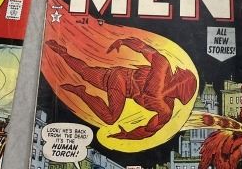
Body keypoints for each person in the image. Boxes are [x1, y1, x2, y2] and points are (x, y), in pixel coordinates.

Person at [47, 38, 196, 140]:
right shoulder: (163, 67)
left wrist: (127, 135)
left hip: (119, 82)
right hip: (121, 79)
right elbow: (143, 48)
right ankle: (80, 91)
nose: (176, 87)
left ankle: (63, 54)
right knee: (110, 117)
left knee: (85, 72)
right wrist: (123, 41)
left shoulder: (165, 110)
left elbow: (148, 130)